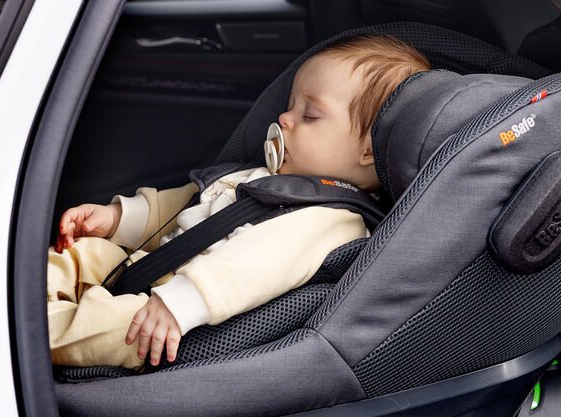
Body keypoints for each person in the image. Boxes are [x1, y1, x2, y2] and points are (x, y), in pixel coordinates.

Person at [47, 34, 431, 369]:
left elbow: (256, 265)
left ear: (368, 150)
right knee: (83, 253)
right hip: (149, 270)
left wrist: (182, 301)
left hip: (175, 318)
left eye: (310, 114)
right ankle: (28, 299)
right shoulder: (262, 176)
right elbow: (183, 207)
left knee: (105, 325)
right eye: (290, 104)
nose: (285, 118)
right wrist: (117, 218)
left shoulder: (333, 220)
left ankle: (32, 330)